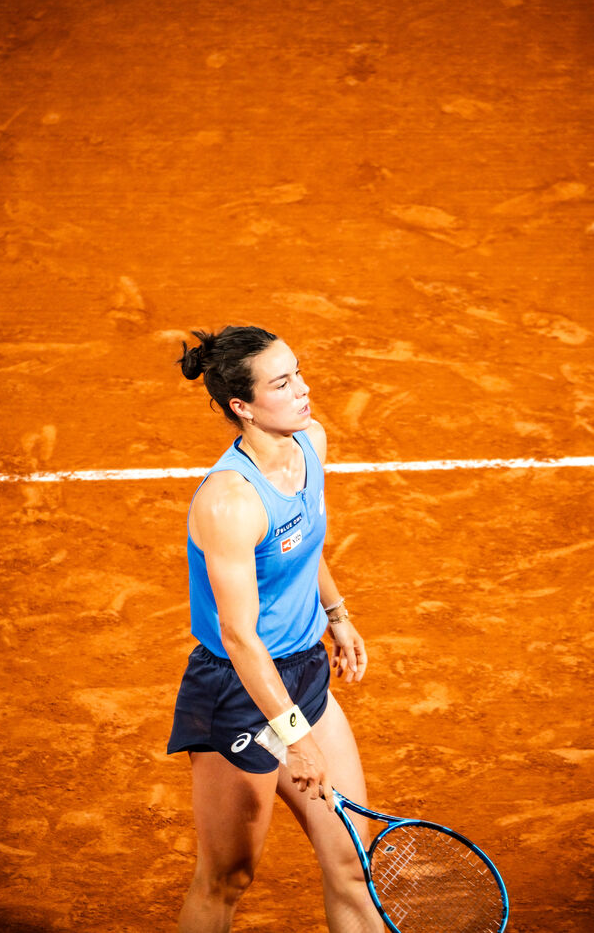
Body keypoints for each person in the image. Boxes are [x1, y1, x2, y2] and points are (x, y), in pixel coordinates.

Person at [167, 325, 383, 932]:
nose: (303, 390)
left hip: (304, 671)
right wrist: (294, 737)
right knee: (227, 878)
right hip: (238, 692)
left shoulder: (311, 442)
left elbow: (304, 543)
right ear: (242, 405)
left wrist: (336, 614)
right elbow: (240, 637)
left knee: (354, 864)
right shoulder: (229, 502)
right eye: (282, 383)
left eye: (298, 373)